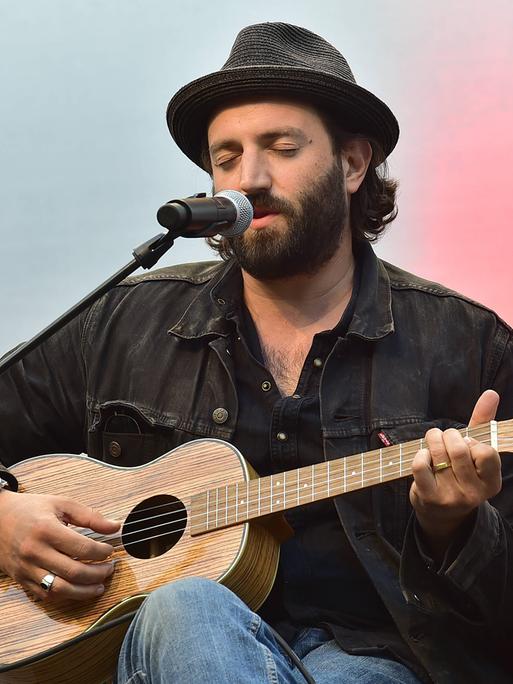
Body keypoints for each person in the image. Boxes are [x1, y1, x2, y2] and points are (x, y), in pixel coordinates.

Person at [0, 21, 512, 684]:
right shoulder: (119, 323)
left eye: (279, 147)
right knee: (184, 607)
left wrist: (454, 527)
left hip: (373, 659)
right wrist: (6, 519)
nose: (249, 178)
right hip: (159, 650)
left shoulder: (465, 344)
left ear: (352, 164)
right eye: (227, 157)